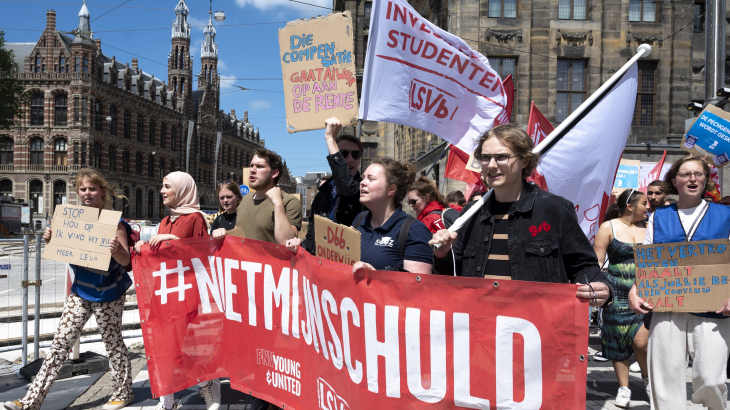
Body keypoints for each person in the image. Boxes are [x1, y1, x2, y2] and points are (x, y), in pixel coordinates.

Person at [429, 124, 613, 306]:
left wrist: (601, 287)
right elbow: (454, 277)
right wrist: (443, 255)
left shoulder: (554, 209)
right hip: (480, 325)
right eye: (485, 158)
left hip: (534, 327)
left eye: (501, 157)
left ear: (524, 161)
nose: (491, 165)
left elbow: (583, 266)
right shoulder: (470, 214)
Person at [4, 169, 133, 410]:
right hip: (81, 291)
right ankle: (31, 402)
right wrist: (52, 239)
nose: (87, 193)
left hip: (108, 293)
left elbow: (126, 261)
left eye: (92, 189)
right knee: (59, 344)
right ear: (77, 193)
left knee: (113, 343)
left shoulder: (114, 223)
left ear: (102, 191)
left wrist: (116, 249)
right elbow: (66, 249)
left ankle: (123, 392)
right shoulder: (71, 221)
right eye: (82, 189)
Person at [629, 156, 730, 410]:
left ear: (706, 179)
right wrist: (635, 289)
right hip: (667, 306)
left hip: (712, 307)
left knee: (711, 378)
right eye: (685, 174)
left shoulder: (725, 214)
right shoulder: (659, 216)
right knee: (665, 378)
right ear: (674, 181)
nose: (692, 179)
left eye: (698, 174)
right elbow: (648, 257)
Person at [133, 172, 218, 410]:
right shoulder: (165, 220)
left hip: (188, 295)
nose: (162, 191)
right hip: (166, 294)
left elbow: (202, 254)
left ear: (182, 190)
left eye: (167, 186)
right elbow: (159, 256)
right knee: (166, 347)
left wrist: (172, 240)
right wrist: (143, 247)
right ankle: (166, 400)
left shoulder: (195, 218)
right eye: (162, 186)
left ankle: (208, 384)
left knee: (191, 348)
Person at [229, 149, 301, 410]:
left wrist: (278, 203)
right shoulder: (245, 202)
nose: (251, 170)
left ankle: (272, 401)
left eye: (258, 166)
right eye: (250, 165)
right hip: (249, 290)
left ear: (274, 173)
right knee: (255, 352)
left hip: (276, 292)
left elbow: (285, 241)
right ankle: (261, 395)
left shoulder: (289, 201)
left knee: (276, 355)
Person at [593, 189, 650, 407]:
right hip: (616, 293)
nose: (648, 207)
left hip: (644, 292)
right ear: (630, 206)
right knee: (618, 340)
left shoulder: (649, 228)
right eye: (644, 203)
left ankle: (647, 379)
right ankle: (624, 388)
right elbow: (598, 261)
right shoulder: (609, 226)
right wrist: (594, 286)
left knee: (641, 342)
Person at [351, 159, 433, 274]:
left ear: (391, 190)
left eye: (371, 178)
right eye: (363, 177)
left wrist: (376, 276)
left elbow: (416, 287)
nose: (362, 182)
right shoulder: (359, 220)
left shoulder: (414, 230)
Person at [302, 117, 362, 255]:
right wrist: (300, 246)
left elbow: (347, 190)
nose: (350, 159)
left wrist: (330, 139)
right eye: (343, 154)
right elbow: (312, 236)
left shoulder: (364, 189)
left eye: (355, 154)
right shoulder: (322, 194)